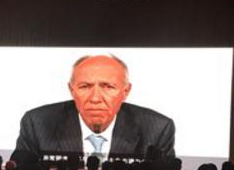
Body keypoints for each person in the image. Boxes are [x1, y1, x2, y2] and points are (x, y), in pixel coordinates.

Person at [12, 54, 175, 160]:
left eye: (108, 87)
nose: (95, 98)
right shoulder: (37, 123)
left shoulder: (157, 129)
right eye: (84, 86)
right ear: (71, 90)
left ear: (125, 91)